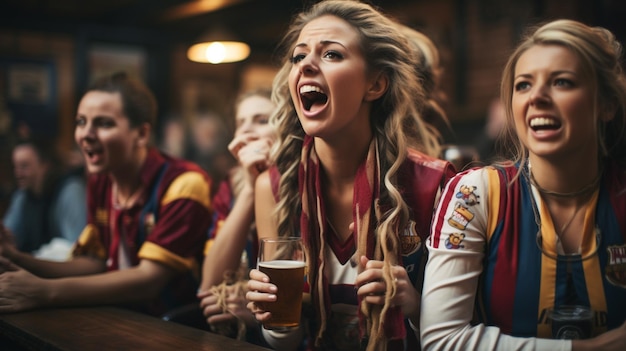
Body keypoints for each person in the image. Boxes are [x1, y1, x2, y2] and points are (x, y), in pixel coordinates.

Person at [244, 1, 456, 350]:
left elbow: (462, 330)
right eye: (299, 57)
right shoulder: (274, 186)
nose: (307, 64)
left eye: (331, 55)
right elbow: (286, 341)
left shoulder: (435, 185)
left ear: (375, 85)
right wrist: (273, 319)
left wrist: (415, 304)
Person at [420, 19, 626, 351]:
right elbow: (442, 340)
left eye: (561, 81)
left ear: (607, 104)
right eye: (523, 85)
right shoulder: (475, 194)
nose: (537, 97)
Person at [0, 72, 212, 317]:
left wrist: (44, 291)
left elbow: (148, 280)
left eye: (104, 123)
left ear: (141, 134)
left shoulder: (184, 183)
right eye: (81, 122)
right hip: (121, 318)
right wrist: (16, 258)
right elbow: (94, 263)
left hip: (174, 329)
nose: (86, 135)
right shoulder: (101, 180)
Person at [197, 88, 275, 342]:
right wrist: (251, 189)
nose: (246, 131)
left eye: (262, 120)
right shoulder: (232, 185)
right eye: (240, 123)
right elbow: (210, 286)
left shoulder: (310, 184)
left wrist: (258, 310)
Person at [2, 138, 86, 255]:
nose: (18, 174)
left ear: (45, 165)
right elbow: (10, 233)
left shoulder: (70, 191)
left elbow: (78, 248)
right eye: (15, 167)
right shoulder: (22, 196)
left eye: (24, 166)